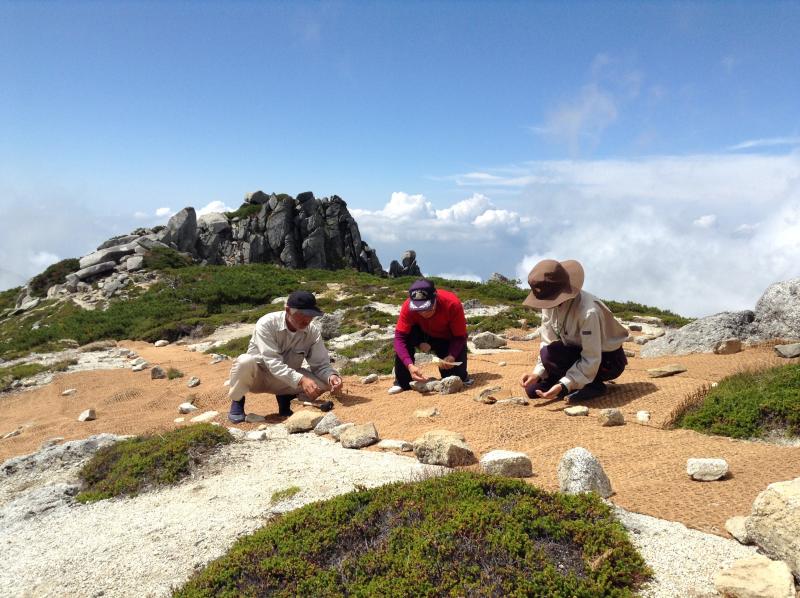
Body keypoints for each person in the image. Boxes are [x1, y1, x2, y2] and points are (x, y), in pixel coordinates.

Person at [519, 259, 628, 402]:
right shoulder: (548, 305)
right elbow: (548, 342)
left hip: (607, 360)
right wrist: (537, 373)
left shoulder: (588, 312)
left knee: (551, 360)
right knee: (533, 390)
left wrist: (564, 385)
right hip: (574, 353)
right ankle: (577, 382)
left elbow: (591, 357)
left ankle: (594, 385)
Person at [226, 290, 343, 423]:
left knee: (324, 384)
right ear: (288, 310)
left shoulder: (312, 332)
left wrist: (331, 376)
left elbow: (321, 364)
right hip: (259, 376)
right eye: (302, 314)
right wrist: (301, 380)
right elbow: (273, 363)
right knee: (244, 361)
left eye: (311, 315)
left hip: (287, 379)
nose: (306, 320)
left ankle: (287, 400)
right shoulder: (266, 324)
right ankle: (237, 403)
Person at [389, 279, 472, 394]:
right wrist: (409, 365)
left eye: (427, 308)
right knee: (407, 336)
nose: (423, 313)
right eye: (419, 309)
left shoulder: (452, 304)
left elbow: (459, 336)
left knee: (456, 376)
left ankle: (462, 374)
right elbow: (399, 338)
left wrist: (452, 355)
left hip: (446, 338)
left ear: (435, 298)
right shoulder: (408, 306)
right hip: (422, 334)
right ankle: (401, 382)